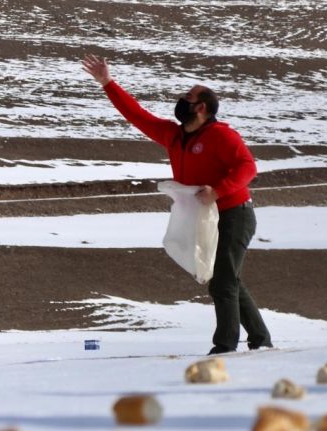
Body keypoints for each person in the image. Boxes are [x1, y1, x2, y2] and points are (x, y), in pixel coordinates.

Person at [81, 54, 272, 355]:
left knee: (221, 279)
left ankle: (224, 346)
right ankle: (261, 339)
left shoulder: (222, 135)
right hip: (205, 216)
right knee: (226, 278)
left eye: (188, 97)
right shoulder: (174, 136)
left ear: (202, 108)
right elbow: (139, 116)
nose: (182, 99)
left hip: (235, 214)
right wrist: (108, 83)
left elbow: (248, 167)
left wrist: (218, 190)